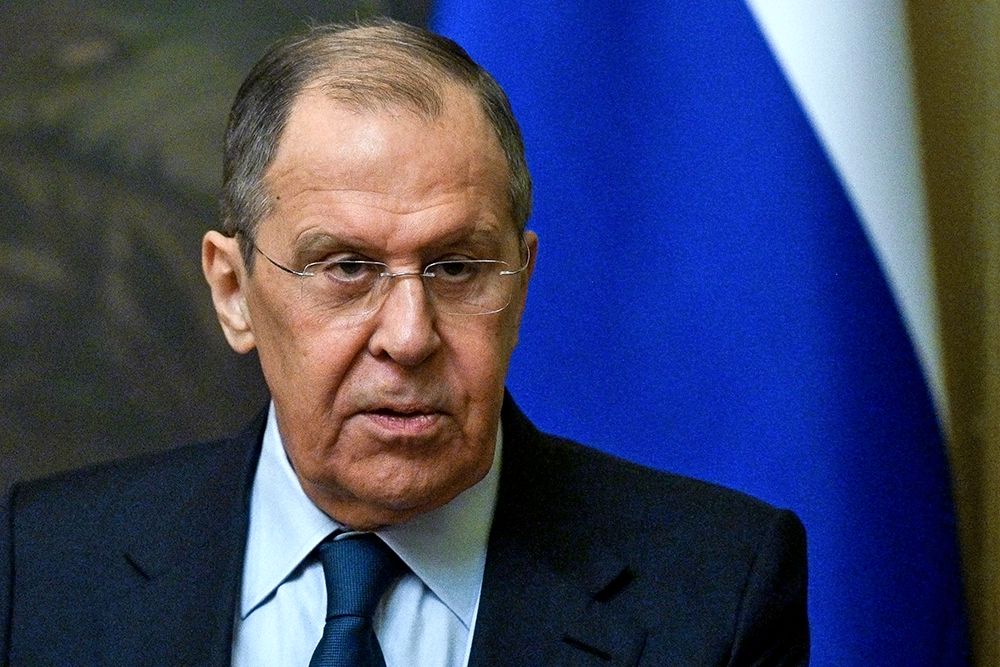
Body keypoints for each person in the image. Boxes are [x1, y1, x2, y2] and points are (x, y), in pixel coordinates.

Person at [0, 19, 808, 666]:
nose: (410, 336)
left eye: (457, 267)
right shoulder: (43, 564)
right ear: (234, 292)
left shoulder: (716, 588)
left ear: (521, 285)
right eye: (346, 267)